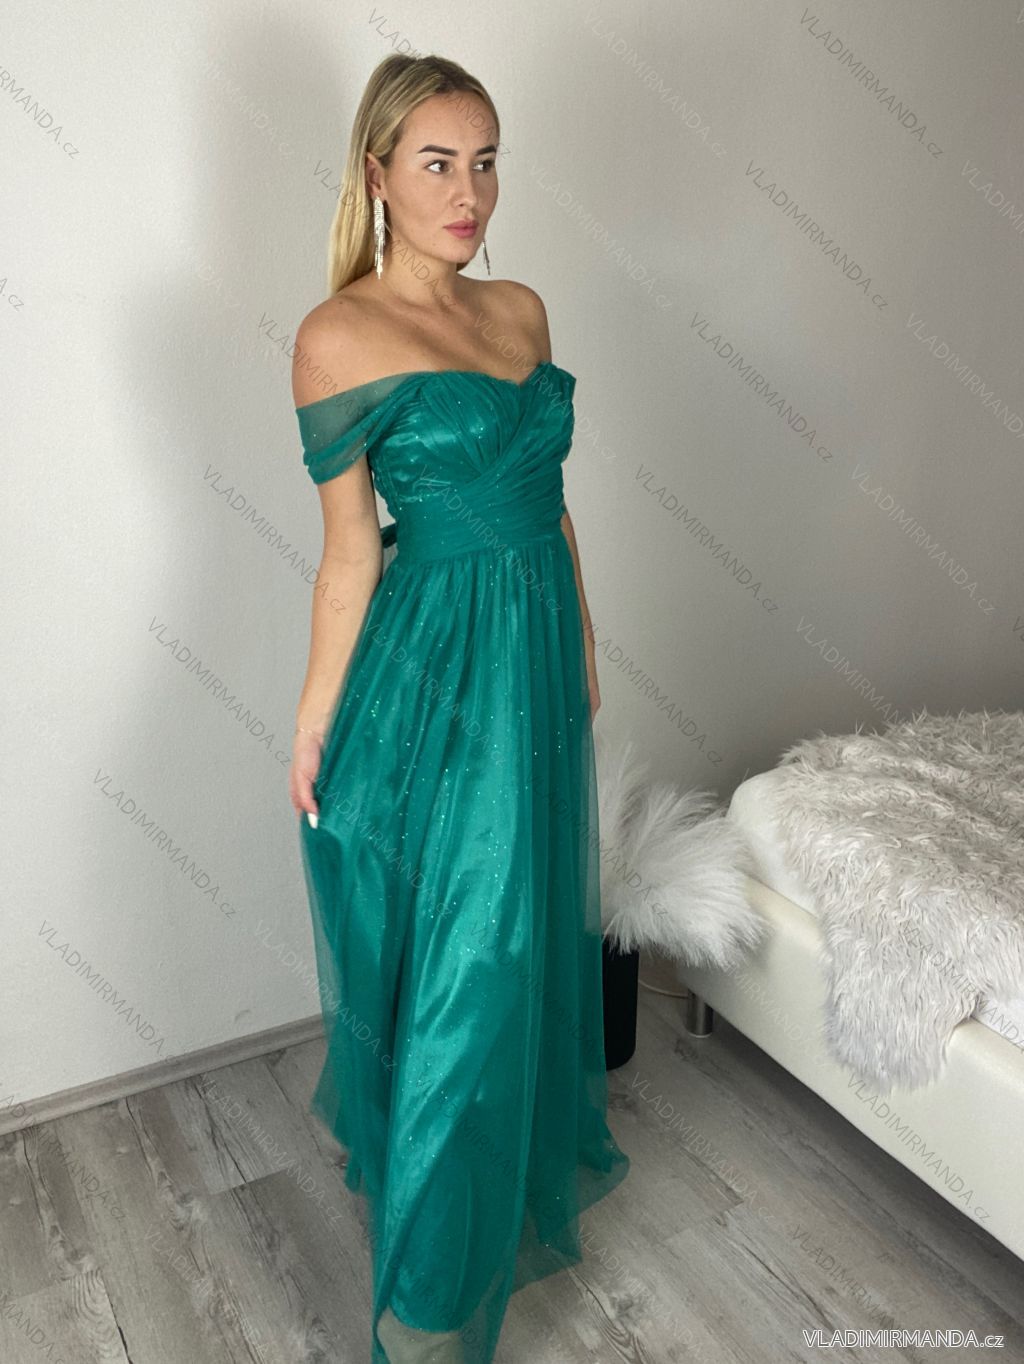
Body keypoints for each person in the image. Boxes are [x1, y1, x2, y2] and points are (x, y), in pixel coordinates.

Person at [288, 52, 629, 1364]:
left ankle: (475, 1182)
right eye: (437, 163)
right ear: (377, 174)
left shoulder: (523, 310)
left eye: (485, 161)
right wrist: (313, 716)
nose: (468, 191)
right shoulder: (337, 336)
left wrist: (582, 641)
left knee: (518, 935)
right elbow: (350, 556)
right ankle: (429, 1309)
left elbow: (553, 507)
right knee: (464, 965)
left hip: (533, 658)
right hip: (430, 675)